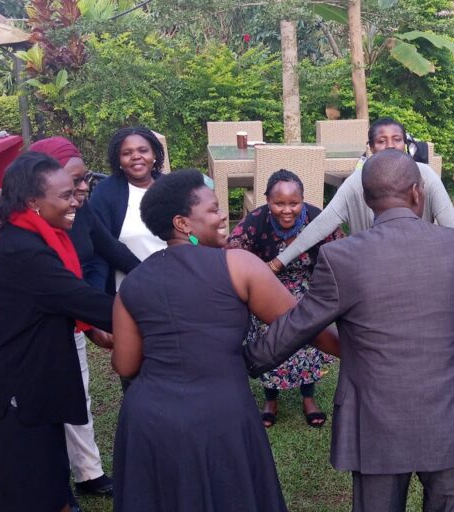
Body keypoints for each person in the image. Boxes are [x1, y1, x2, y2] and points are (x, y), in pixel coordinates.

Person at [245, 150, 454, 512]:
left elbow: (296, 326)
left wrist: (243, 360)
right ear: (418, 192)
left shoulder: (341, 258)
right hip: (453, 415)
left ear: (366, 200)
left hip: (375, 420)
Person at [109, 169, 339, 511]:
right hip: (220, 415)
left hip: (149, 419)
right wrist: (360, 351)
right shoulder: (239, 265)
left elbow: (125, 364)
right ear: (183, 223)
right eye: (214, 210)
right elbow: (303, 324)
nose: (223, 218)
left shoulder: (131, 284)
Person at [0, 152, 114, 512]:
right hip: (2, 381)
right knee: (13, 482)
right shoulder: (23, 252)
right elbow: (83, 300)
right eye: (64, 196)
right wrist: (170, 309)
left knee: (45, 466)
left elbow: (64, 302)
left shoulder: (36, 235)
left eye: (74, 191)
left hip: (30, 372)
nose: (75, 201)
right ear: (32, 203)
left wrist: (92, 331)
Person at [28, 137, 140, 497]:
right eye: (73, 182)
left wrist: (160, 281)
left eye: (83, 178)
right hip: (38, 329)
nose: (82, 188)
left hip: (74, 316)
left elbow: (109, 252)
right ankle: (53, 479)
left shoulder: (81, 209)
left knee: (78, 393)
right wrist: (93, 321)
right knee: (45, 403)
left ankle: (88, 473)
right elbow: (56, 287)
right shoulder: (30, 233)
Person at [227, 170, 344, 428]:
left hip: (308, 288)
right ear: (267, 200)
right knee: (269, 339)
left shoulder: (319, 219)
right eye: (278, 203)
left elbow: (342, 254)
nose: (287, 210)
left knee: (310, 337)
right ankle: (271, 399)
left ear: (303, 200)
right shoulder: (255, 221)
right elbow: (231, 254)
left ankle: (308, 397)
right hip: (265, 289)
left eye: (294, 203)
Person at [267, 117, 454, 273]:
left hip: (420, 266)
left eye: (397, 139)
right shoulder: (357, 181)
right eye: (382, 141)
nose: (391, 146)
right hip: (372, 268)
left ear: (406, 144)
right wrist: (278, 262)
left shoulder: (425, 175)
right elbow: (321, 225)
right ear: (371, 148)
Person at [87, 126, 167, 293]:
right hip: (130, 290)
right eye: (127, 153)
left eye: (143, 150)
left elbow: (193, 235)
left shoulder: (173, 188)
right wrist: (144, 274)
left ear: (154, 155)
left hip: (176, 283)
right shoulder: (105, 193)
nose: (136, 157)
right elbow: (104, 245)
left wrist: (195, 241)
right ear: (118, 160)